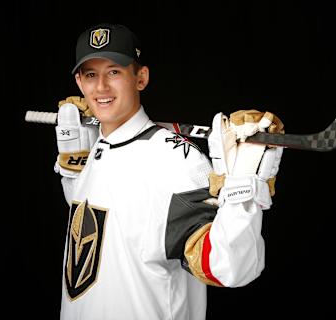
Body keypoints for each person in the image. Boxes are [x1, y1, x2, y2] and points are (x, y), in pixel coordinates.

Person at [53, 23, 285, 320]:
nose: (101, 88)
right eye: (90, 75)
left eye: (114, 72)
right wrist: (74, 171)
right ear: (79, 82)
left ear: (141, 78)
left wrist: (244, 188)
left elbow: (230, 267)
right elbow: (107, 231)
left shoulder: (176, 162)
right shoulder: (99, 148)